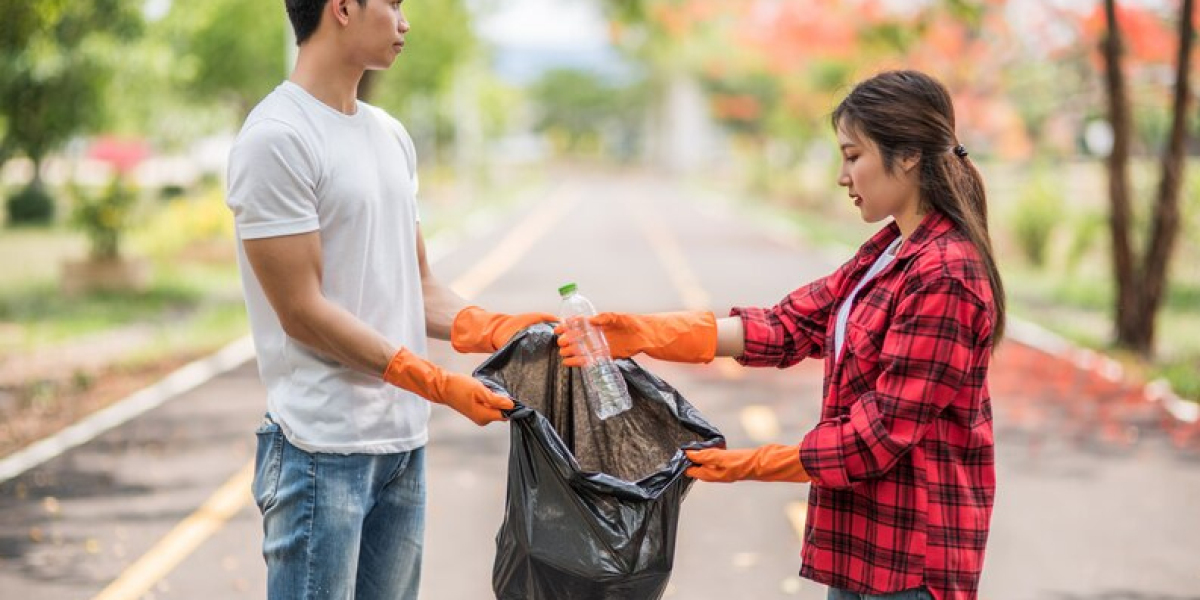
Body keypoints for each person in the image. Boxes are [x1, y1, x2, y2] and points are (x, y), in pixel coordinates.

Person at [557, 70, 1003, 600]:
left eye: (853, 156)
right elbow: (789, 325)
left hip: (912, 560)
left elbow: (877, 436)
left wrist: (749, 463)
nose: (842, 176)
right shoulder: (886, 253)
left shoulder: (945, 273)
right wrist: (640, 333)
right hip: (859, 548)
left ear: (907, 156)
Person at [225, 0, 553, 597]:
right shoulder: (276, 138)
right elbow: (302, 313)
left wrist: (506, 331)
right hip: (319, 448)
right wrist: (437, 382)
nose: (405, 21)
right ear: (343, 8)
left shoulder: (389, 135)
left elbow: (418, 283)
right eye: (394, 4)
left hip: (401, 444)